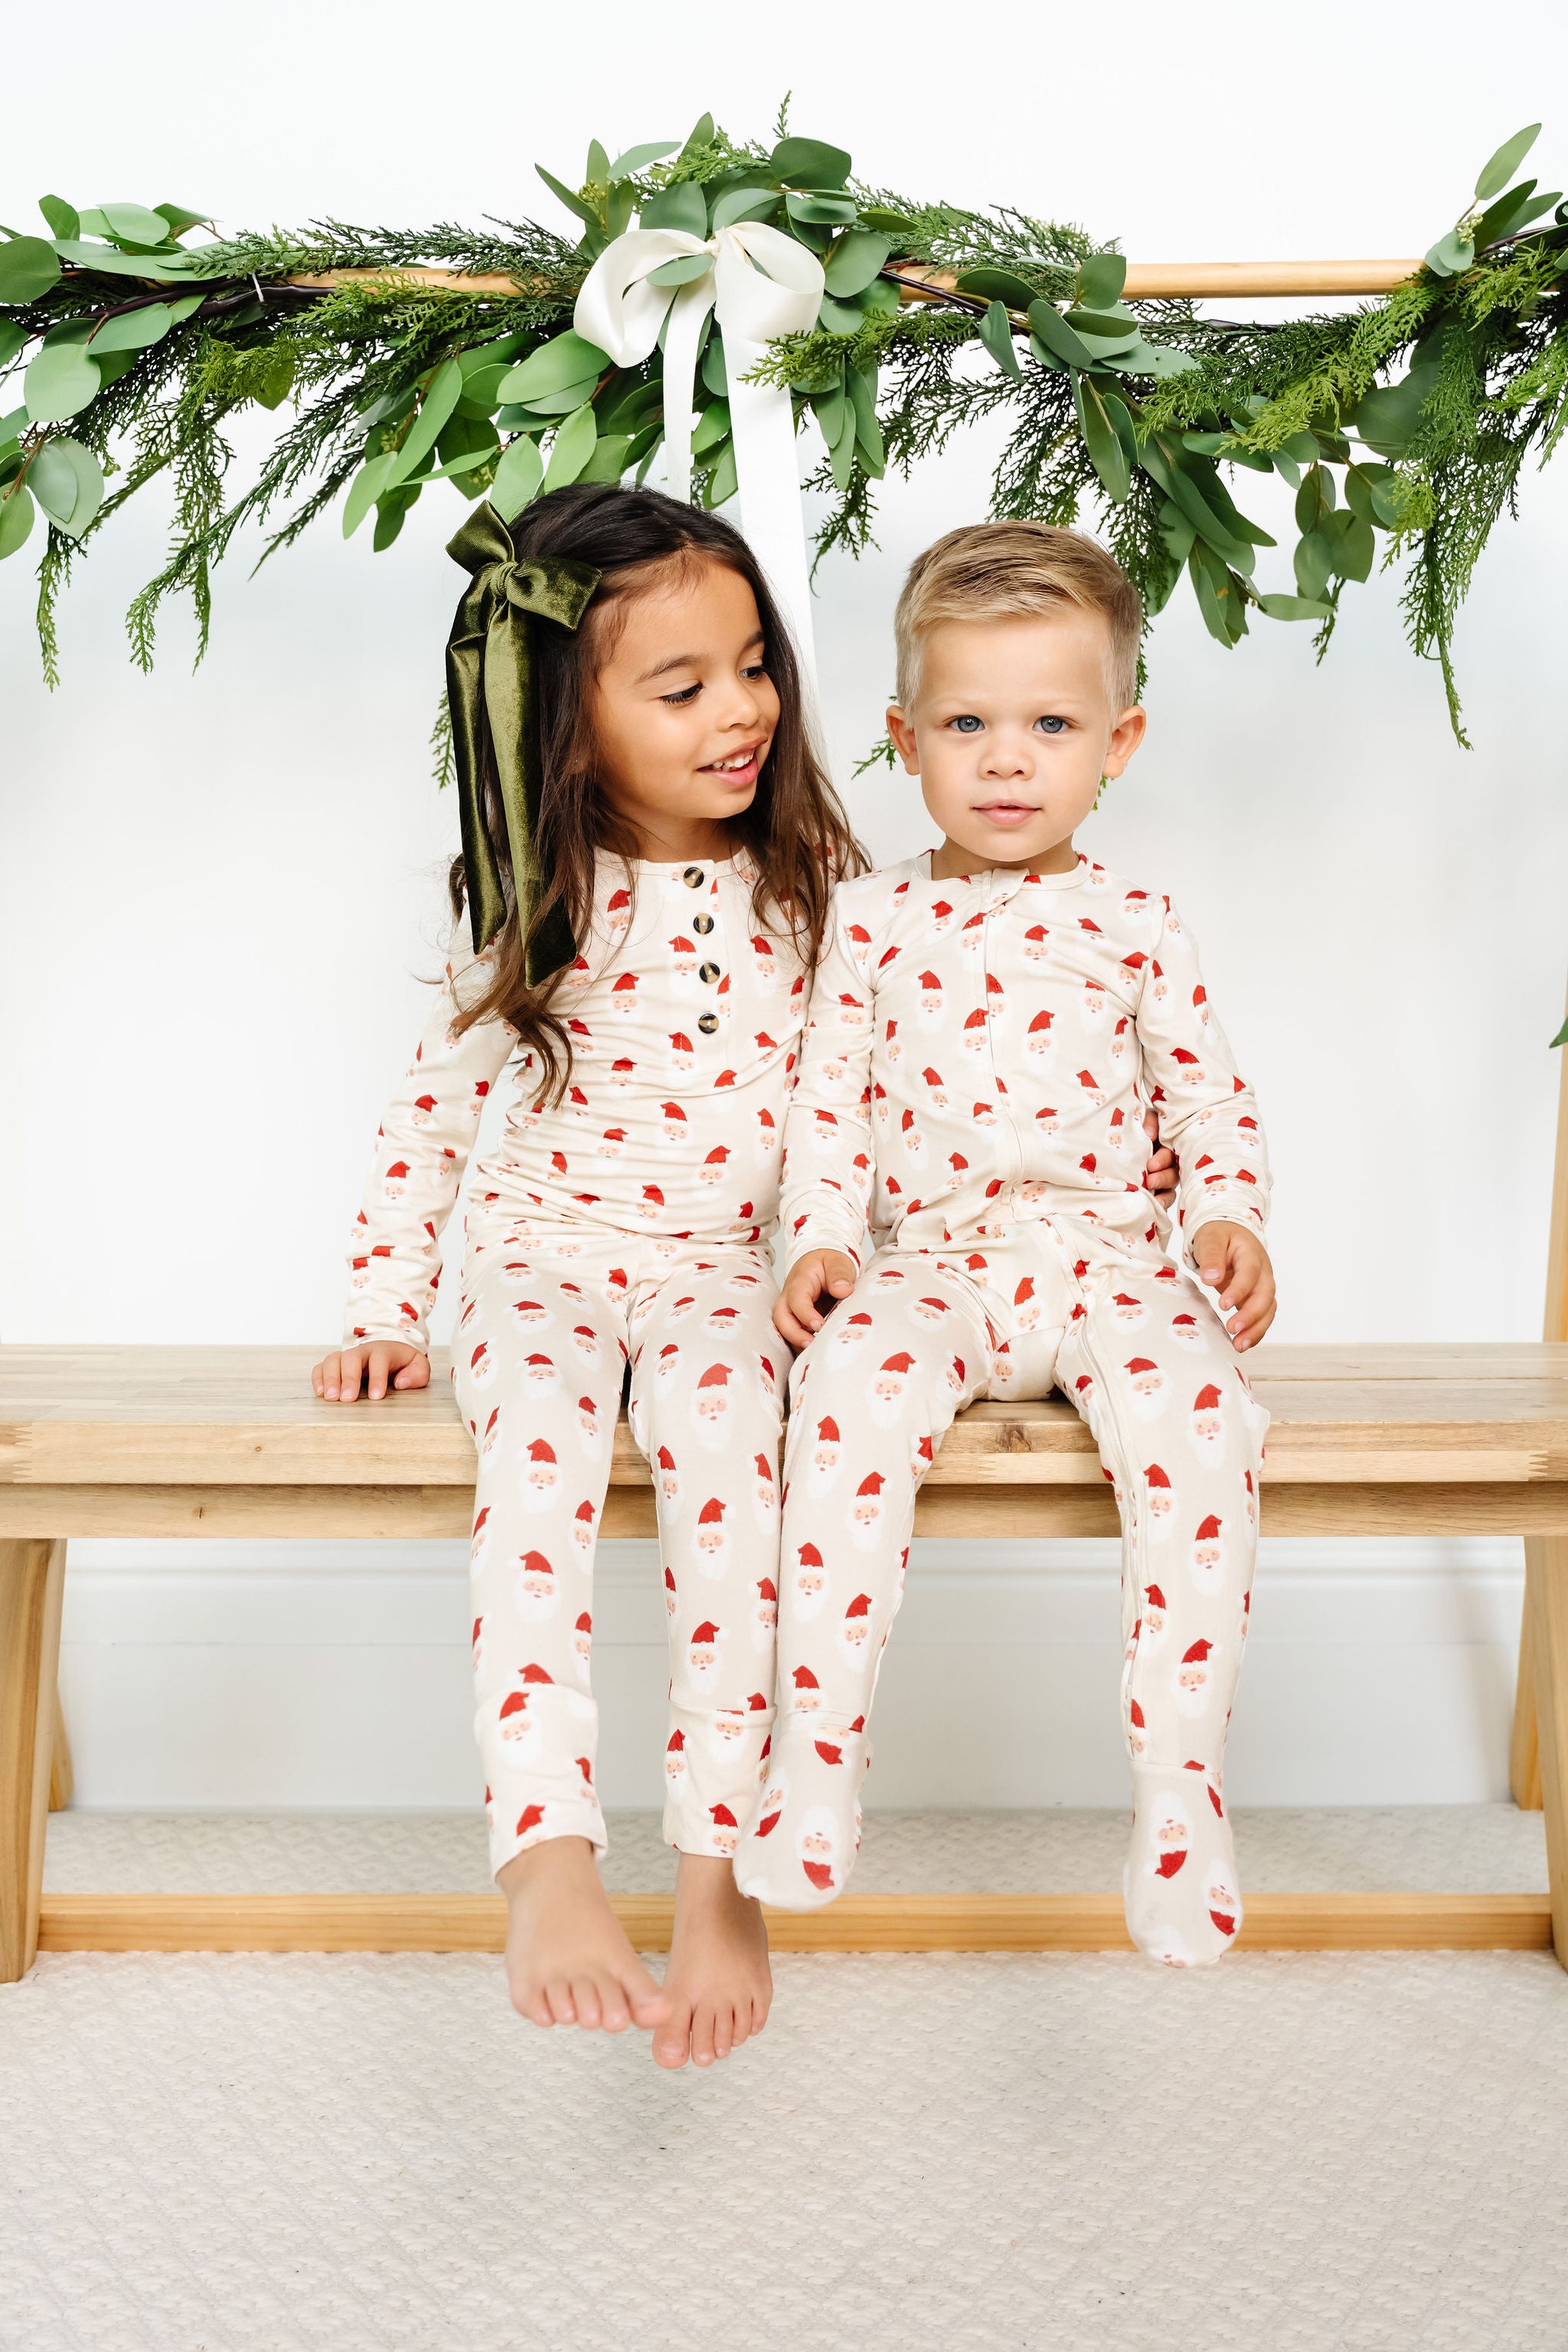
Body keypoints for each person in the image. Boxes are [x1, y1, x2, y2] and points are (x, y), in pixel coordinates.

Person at [310, 482, 859, 2068]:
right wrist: (377, 1312)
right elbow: (426, 1119)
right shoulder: (539, 900)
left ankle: (714, 1872)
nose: (741, 709)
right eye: (681, 688)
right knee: (537, 1478)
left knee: (735, 1495)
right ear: (565, 720)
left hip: (715, 1275)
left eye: (751, 665)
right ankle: (546, 1855)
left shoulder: (813, 886)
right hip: (538, 1267)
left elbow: (852, 1105)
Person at [736, 521, 1275, 1969]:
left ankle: (1179, 1796)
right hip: (941, 1260)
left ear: (1121, 739)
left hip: (1115, 1258)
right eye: (967, 724)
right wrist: (822, 1241)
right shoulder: (872, 918)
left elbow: (1208, 1093)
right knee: (838, 1395)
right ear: (907, 739)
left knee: (1206, 1428)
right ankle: (818, 1763)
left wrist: (1226, 1212)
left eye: (1050, 724)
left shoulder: (1139, 920)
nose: (1008, 761)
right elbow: (828, 1104)